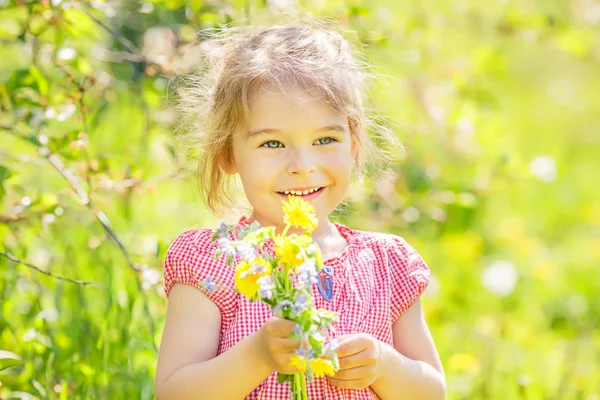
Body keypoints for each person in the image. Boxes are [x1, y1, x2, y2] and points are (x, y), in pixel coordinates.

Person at [155, 21, 446, 400]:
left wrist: (386, 365)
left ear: (354, 146)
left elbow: (432, 391)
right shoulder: (213, 262)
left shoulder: (387, 264)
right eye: (273, 143)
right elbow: (175, 393)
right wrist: (257, 356)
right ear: (228, 154)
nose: (303, 165)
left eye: (325, 139)